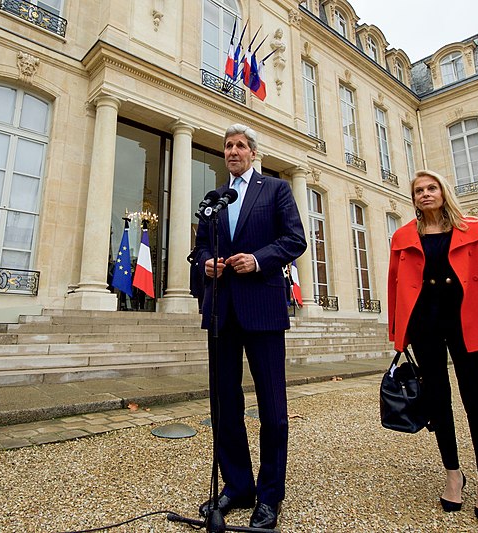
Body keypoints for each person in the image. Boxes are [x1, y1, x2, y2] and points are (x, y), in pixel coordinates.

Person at [387, 170, 478, 524]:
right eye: (418, 190)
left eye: (431, 188)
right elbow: (395, 285)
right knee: (438, 401)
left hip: (467, 320)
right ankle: (453, 473)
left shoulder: (474, 229)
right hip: (424, 325)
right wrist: (399, 331)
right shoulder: (403, 236)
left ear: (443, 192)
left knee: (477, 401)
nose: (424, 194)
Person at [194, 124, 307, 529]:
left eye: (241, 145)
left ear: (253, 153)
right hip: (222, 310)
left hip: (262, 308)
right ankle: (238, 485)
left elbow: (295, 240)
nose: (233, 151)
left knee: (273, 408)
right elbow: (201, 246)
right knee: (224, 405)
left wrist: (258, 259)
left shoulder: (274, 190)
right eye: (228, 145)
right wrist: (207, 260)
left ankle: (270, 494)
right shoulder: (213, 198)